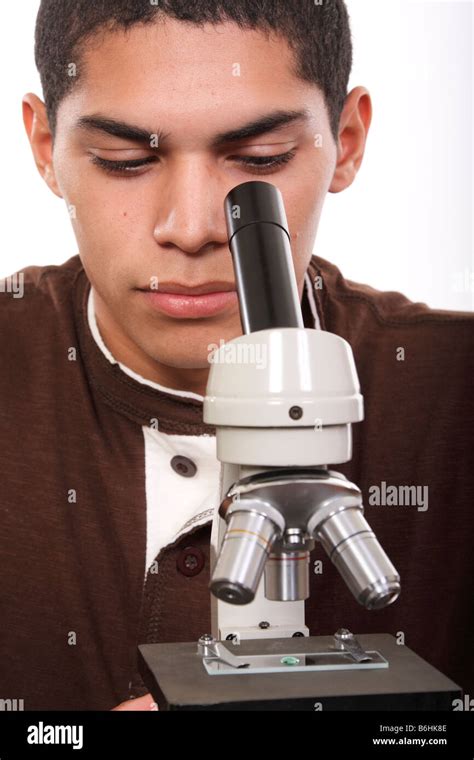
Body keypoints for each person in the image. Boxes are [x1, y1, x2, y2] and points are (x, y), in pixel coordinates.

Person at [0, 0, 472, 711]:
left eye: (260, 160)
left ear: (345, 140)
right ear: (45, 148)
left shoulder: (457, 393)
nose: (191, 229)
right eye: (125, 161)